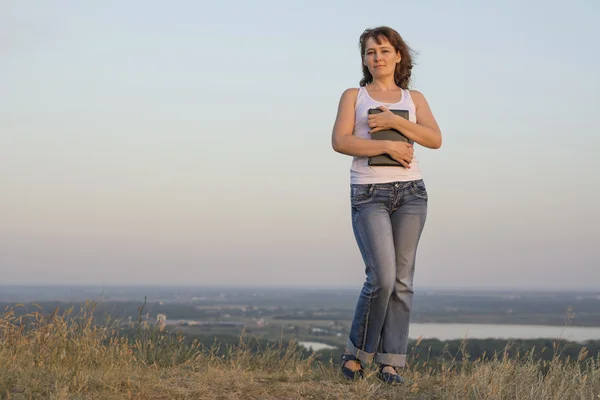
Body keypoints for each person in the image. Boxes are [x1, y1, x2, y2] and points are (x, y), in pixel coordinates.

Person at [331, 26, 442, 384]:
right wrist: (387, 146)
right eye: (369, 52)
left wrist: (394, 122)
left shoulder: (415, 99)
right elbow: (341, 142)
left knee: (402, 281)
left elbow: (435, 139)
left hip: (411, 194)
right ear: (364, 60)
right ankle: (357, 353)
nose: (376, 57)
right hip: (369, 194)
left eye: (382, 50)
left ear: (398, 55)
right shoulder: (354, 96)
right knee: (380, 277)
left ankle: (391, 362)